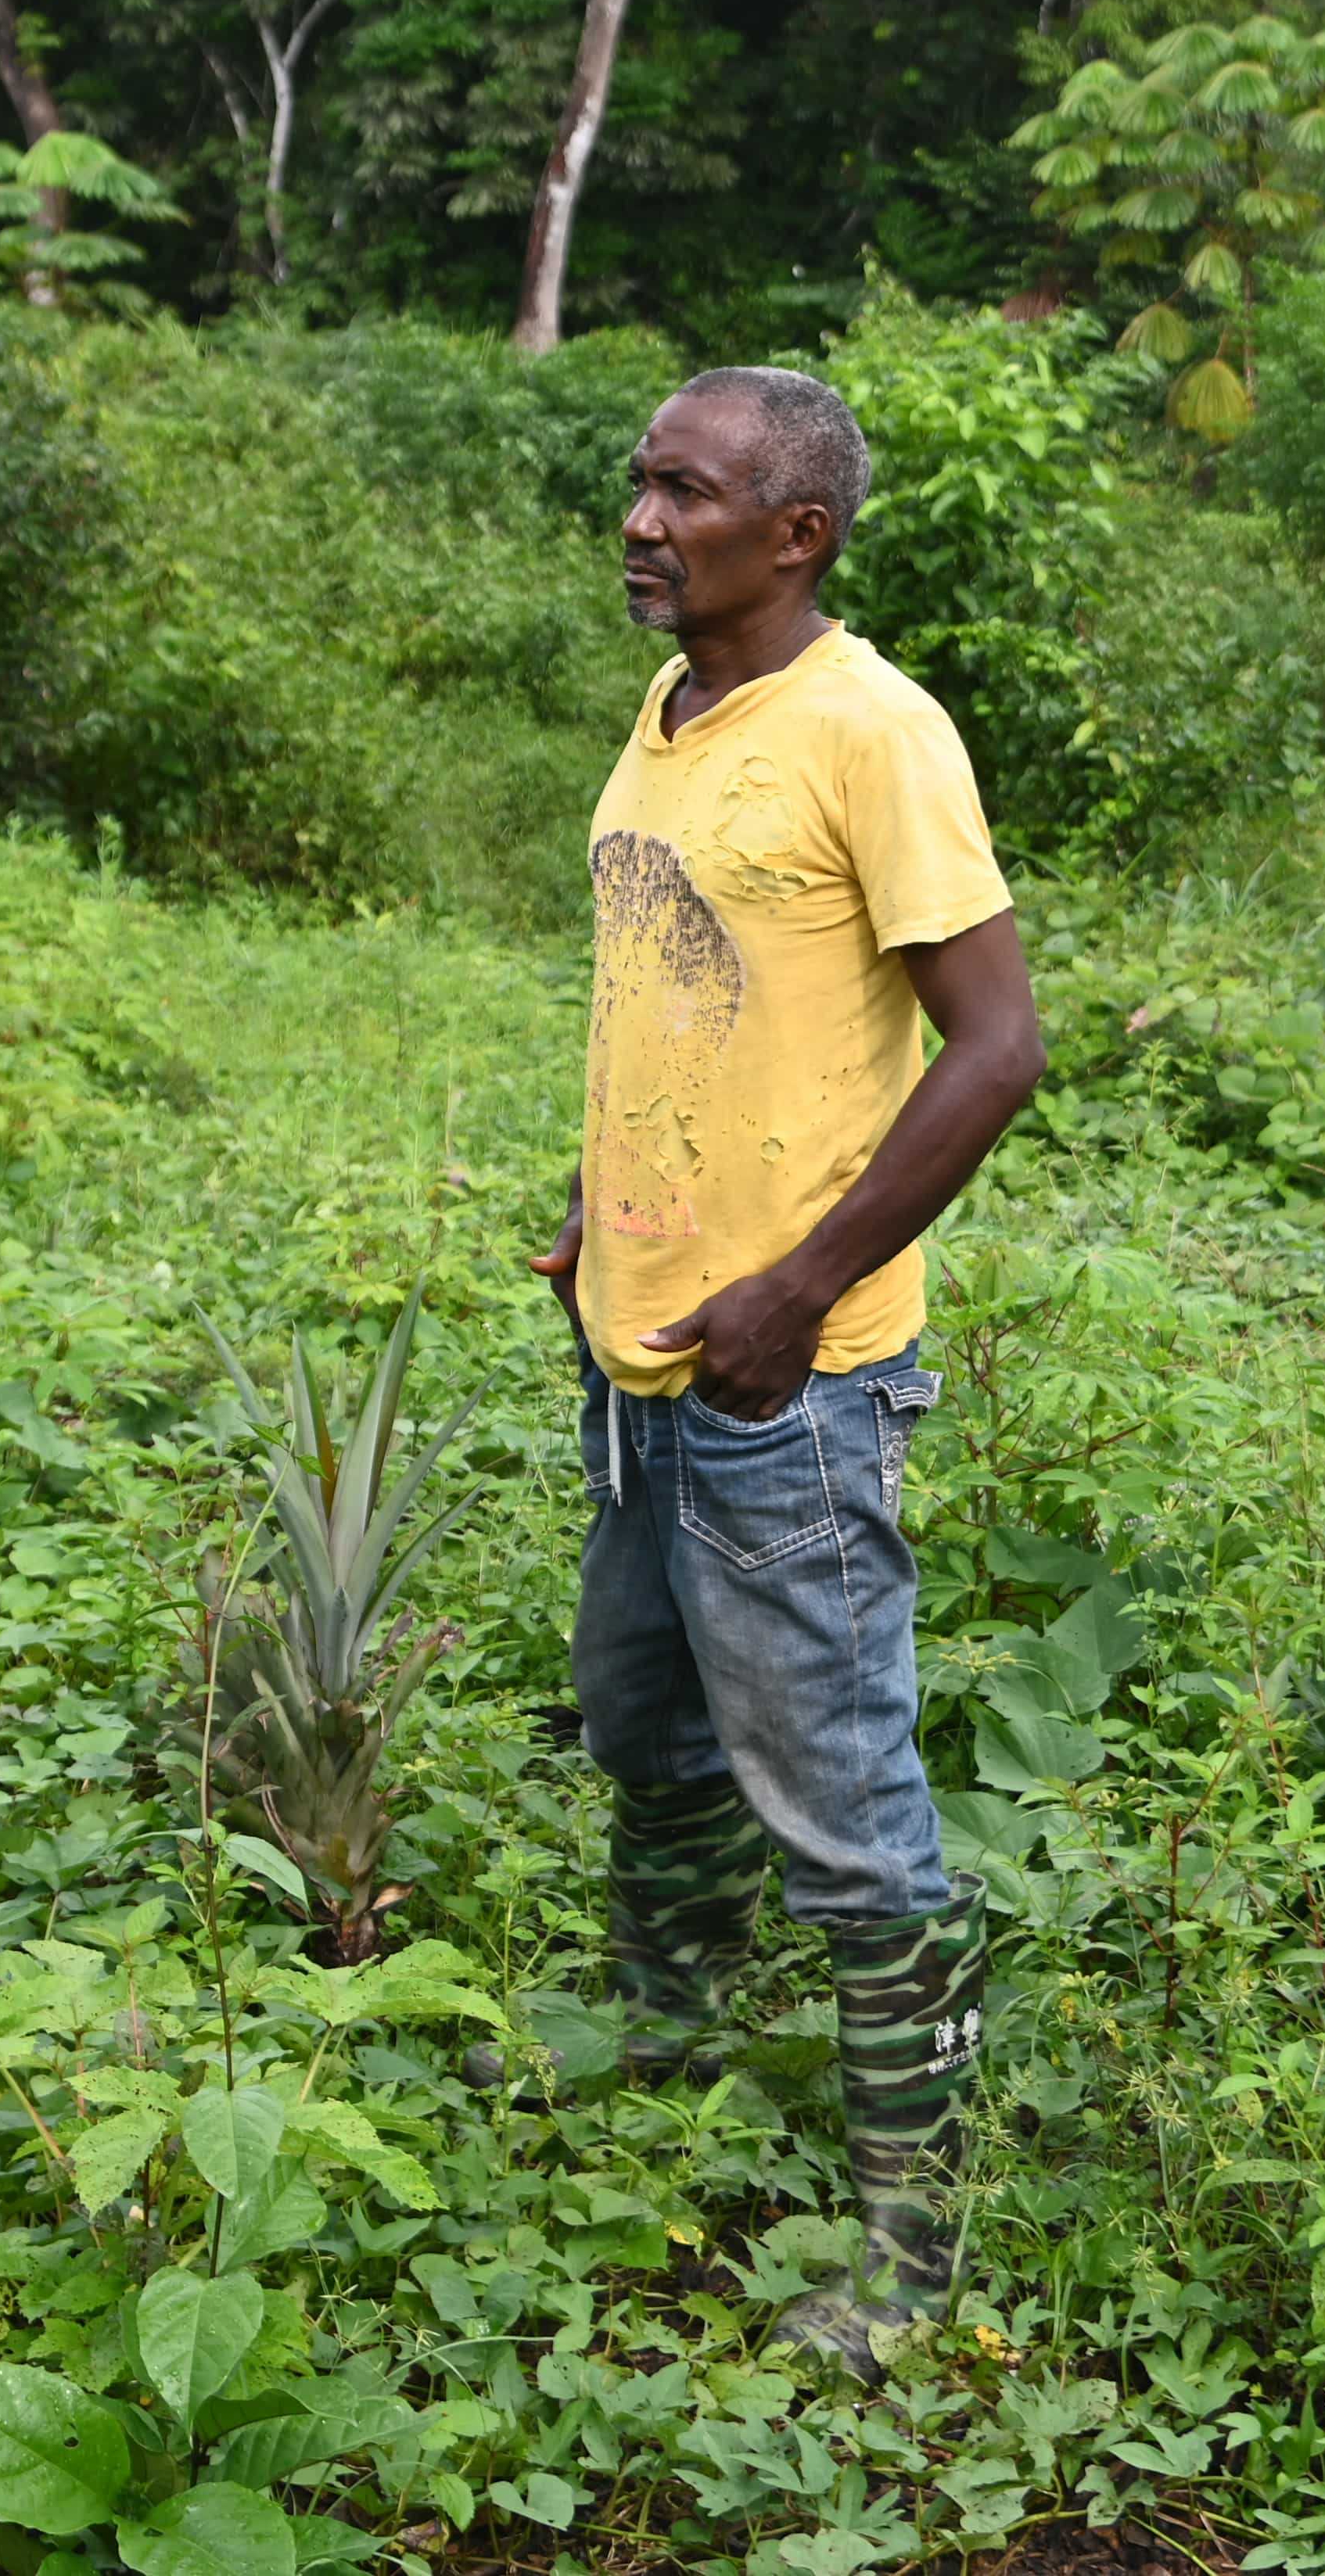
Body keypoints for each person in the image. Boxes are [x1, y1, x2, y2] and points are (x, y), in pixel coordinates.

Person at [526, 363, 1048, 2375]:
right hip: (641, 1350)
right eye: (640, 482)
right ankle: (661, 2042)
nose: (643, 519)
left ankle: (916, 2250)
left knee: (843, 1807)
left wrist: (801, 1287)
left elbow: (997, 1049)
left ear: (798, 532)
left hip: (786, 1384)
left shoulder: (873, 731)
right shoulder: (671, 711)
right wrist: (601, 1209)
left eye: (688, 491)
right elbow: (670, 987)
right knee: (646, 1729)